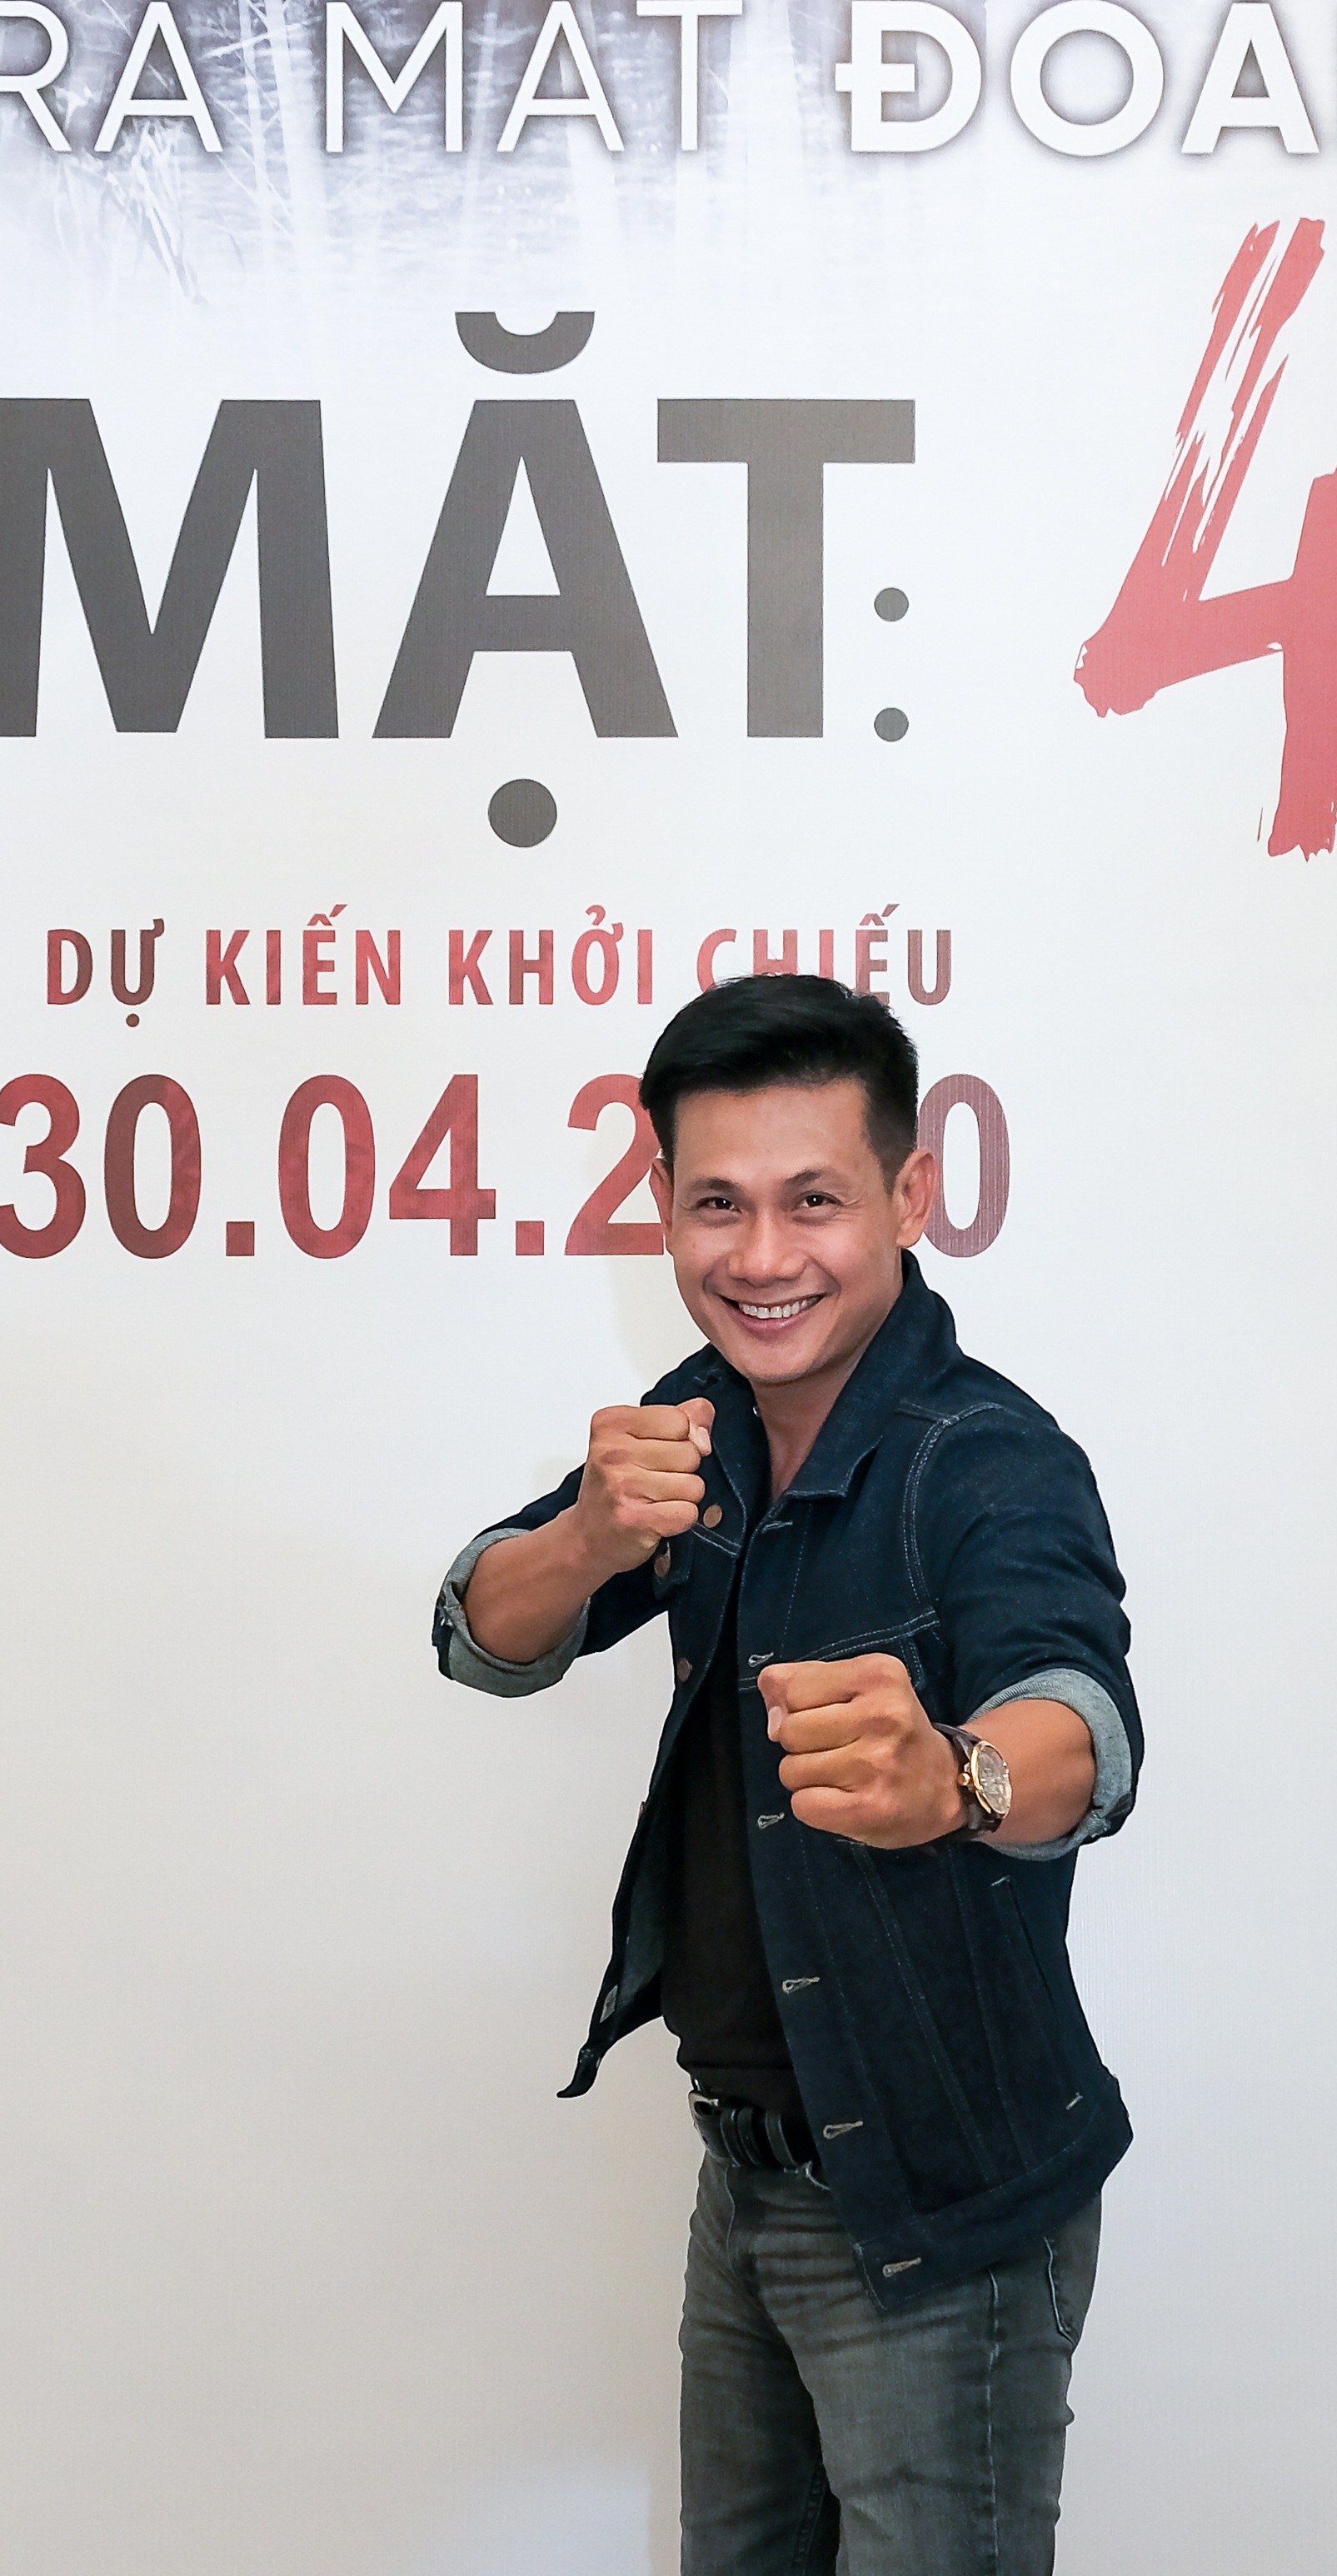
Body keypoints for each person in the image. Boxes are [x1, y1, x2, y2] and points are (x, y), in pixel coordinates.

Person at [430, 974, 1140, 2576]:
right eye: (717, 1205)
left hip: (938, 2190)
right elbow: (482, 1634)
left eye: (813, 1200)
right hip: (747, 2174)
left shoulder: (988, 1458)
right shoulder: (701, 1421)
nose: (761, 1258)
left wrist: (954, 1777)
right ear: (663, 1204)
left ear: (911, 1194)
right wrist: (588, 1535)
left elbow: (1084, 1723)